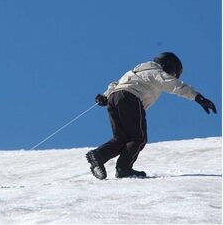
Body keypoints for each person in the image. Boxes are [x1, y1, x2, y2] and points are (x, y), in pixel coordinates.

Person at [86, 52, 217, 179]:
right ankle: (123, 169)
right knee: (138, 137)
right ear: (168, 66)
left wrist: (105, 96)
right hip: (131, 98)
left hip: (114, 98)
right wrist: (199, 98)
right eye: (174, 73)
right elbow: (177, 86)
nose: (173, 76)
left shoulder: (135, 71)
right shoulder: (157, 73)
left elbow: (115, 84)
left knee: (121, 139)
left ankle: (99, 156)